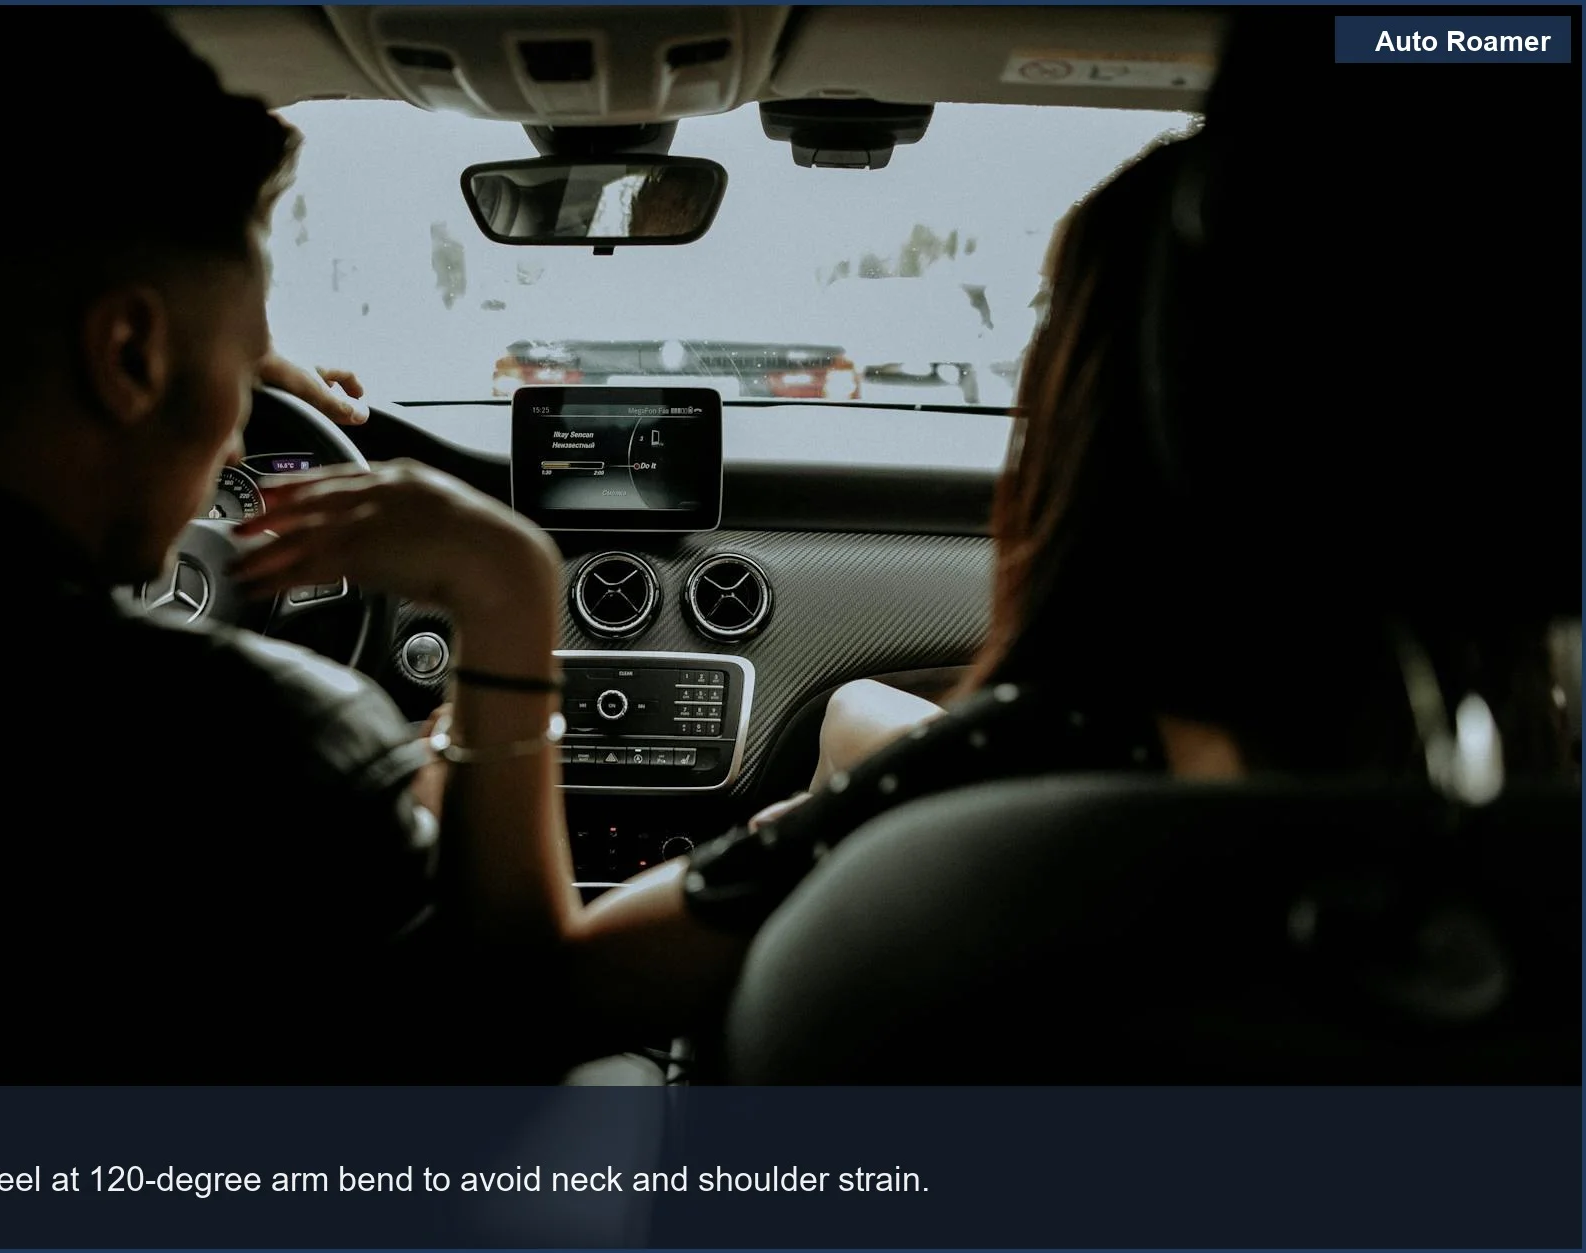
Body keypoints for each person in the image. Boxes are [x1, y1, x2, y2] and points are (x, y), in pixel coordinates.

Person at [246, 115, 1573, 1046]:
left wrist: (504, 597)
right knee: (854, 711)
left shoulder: (999, 774)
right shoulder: (1527, 794)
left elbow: (536, 999)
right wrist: (867, 734)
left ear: (1102, 420)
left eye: (1054, 323)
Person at [0, 8, 569, 1083]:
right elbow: (509, 1048)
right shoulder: (270, 754)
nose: (236, 425)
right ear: (126, 351)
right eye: (247, 351)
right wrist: (509, 593)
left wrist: (196, 348)